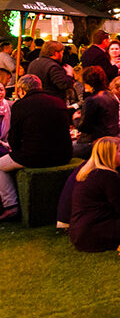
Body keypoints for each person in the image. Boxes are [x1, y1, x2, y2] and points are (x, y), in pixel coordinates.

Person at [0, 75, 73, 221]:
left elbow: (14, 139)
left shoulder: (21, 105)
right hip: (64, 154)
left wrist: (16, 150)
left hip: (35, 156)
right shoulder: (58, 101)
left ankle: (11, 205)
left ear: (21, 90)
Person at [72, 66, 120, 159]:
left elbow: (84, 127)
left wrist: (76, 119)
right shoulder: (111, 96)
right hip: (111, 139)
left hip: (95, 143)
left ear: (87, 82)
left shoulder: (91, 100)